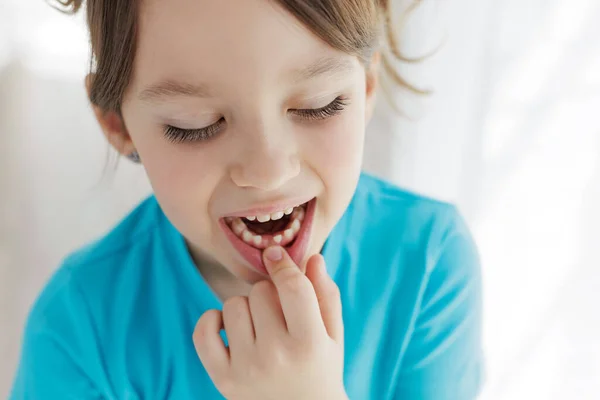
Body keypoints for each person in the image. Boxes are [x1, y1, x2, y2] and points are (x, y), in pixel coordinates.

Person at [10, 0, 484, 398]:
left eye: (319, 104)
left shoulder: (427, 262)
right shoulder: (78, 326)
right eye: (194, 125)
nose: (268, 171)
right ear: (117, 124)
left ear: (364, 85)